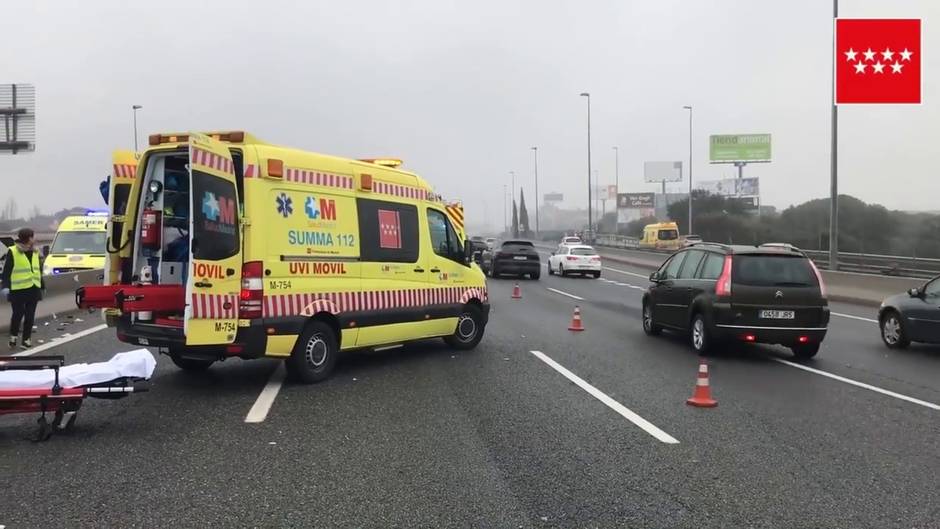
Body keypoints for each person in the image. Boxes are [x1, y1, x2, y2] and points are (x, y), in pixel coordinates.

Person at [1, 228, 45, 349]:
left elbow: (37, 270)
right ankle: (13, 336)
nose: (34, 239)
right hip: (18, 289)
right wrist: (5, 286)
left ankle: (26, 339)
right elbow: (6, 271)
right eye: (33, 236)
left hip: (33, 288)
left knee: (30, 315)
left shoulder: (35, 251)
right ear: (29, 238)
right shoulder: (13, 251)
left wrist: (42, 285)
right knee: (18, 314)